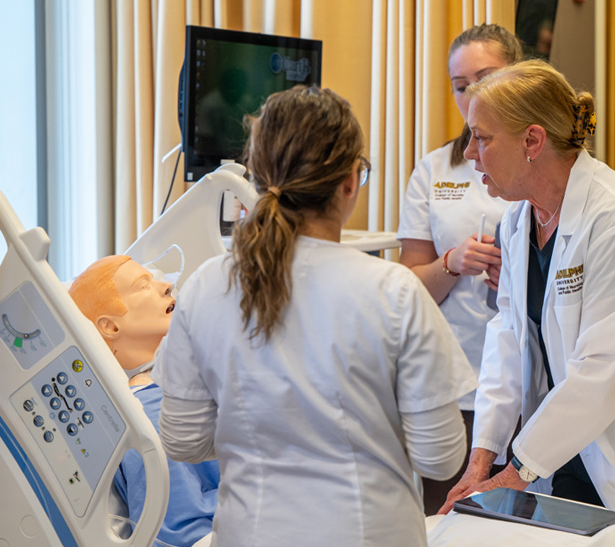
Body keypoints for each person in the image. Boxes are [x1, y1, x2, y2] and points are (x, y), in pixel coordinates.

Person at [152, 85, 477, 547]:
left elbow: (182, 441)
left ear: (259, 176)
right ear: (349, 181)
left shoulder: (205, 286)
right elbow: (440, 458)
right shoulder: (393, 291)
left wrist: (261, 438)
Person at [439, 59, 615, 517]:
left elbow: (603, 371)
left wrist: (512, 473)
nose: (470, 154)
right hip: (561, 456)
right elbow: (509, 338)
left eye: (481, 137)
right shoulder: (518, 221)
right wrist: (482, 460)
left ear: (532, 141)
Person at [396, 23, 521, 514]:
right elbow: (409, 286)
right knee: (444, 518)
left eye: (485, 77)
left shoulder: (541, 163)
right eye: (460, 84)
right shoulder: (434, 170)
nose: (472, 93)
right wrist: (451, 263)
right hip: (452, 380)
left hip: (525, 380)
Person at [68, 255, 219, 547]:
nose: (167, 286)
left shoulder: (193, 383)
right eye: (143, 286)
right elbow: (181, 530)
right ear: (110, 327)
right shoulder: (147, 413)